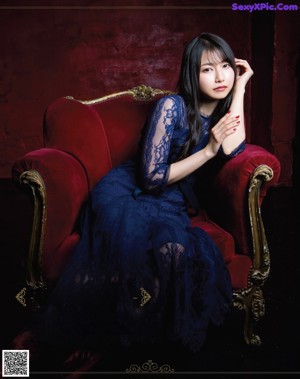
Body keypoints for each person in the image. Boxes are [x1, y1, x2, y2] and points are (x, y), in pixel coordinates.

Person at [12, 32, 253, 365]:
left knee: (174, 253)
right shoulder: (173, 106)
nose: (220, 76)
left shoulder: (222, 110)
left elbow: (233, 148)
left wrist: (241, 87)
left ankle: (109, 342)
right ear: (191, 74)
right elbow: (152, 178)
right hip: (130, 192)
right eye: (207, 69)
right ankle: (37, 353)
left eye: (226, 66)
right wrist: (209, 150)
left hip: (171, 203)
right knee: (129, 257)